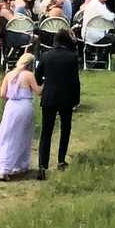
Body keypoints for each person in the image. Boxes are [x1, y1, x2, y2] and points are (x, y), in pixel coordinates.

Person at [0, 54, 38, 180]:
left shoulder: (9, 75)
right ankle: (17, 164)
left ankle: (3, 166)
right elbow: (38, 90)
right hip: (24, 106)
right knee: (22, 136)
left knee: (7, 136)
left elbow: (2, 94)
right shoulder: (29, 75)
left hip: (11, 107)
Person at [34, 34, 80, 176]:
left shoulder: (45, 56)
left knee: (46, 132)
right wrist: (76, 99)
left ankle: (42, 165)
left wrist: (44, 84)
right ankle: (61, 160)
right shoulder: (72, 57)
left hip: (49, 96)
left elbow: (37, 76)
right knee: (65, 129)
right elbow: (75, 81)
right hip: (66, 97)